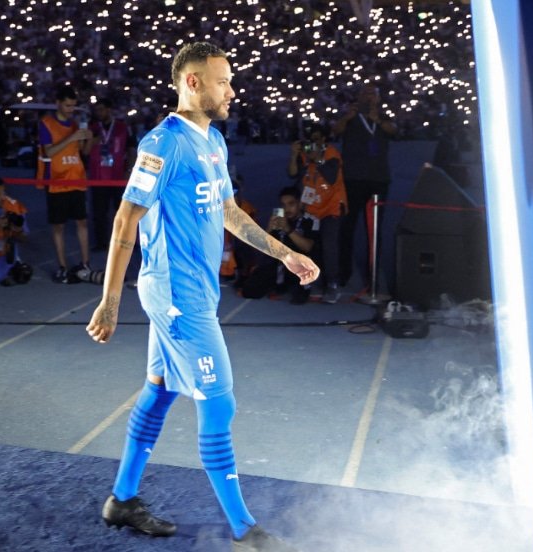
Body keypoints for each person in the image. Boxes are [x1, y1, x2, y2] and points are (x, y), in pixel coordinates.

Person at [85, 41, 316, 552]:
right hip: (175, 296)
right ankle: (244, 531)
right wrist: (110, 301)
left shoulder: (212, 140)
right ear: (193, 83)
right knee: (219, 404)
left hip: (195, 293)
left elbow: (230, 213)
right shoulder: (162, 144)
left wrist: (284, 255)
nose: (232, 91)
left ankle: (122, 499)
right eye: (222, 82)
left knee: (161, 390)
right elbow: (126, 218)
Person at [331, 83, 396, 288]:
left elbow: (393, 132)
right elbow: (335, 131)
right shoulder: (350, 116)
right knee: (347, 228)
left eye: (373, 94)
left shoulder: (384, 116)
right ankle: (343, 272)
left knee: (374, 230)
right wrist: (347, 117)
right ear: (358, 97)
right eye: (365, 94)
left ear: (378, 98)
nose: (369, 98)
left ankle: (373, 274)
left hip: (378, 179)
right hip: (352, 179)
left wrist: (378, 119)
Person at [36, 85, 93, 283]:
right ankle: (62, 266)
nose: (70, 110)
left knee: (82, 222)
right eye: (67, 106)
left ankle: (85, 263)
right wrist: (72, 137)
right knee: (58, 226)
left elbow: (83, 152)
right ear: (58, 103)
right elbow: (49, 152)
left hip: (76, 178)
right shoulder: (46, 123)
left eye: (73, 106)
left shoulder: (76, 124)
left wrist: (89, 139)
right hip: (57, 181)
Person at [288, 121, 347, 303]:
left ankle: (333, 284)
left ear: (323, 139)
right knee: (310, 245)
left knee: (329, 246)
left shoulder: (331, 154)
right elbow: (292, 174)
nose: (312, 144)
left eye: (316, 139)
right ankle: (312, 281)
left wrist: (317, 159)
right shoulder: (305, 154)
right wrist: (294, 155)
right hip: (311, 208)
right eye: (310, 140)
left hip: (331, 207)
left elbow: (330, 177)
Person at [240, 186, 318, 304]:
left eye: (291, 204)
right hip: (280, 265)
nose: (287, 209)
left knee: (299, 298)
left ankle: (300, 288)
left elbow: (307, 247)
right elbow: (262, 248)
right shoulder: (280, 219)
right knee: (249, 290)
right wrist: (269, 230)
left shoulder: (311, 220)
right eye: (284, 205)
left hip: (302, 265)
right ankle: (278, 284)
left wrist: (288, 229)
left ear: (300, 204)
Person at [87, 97, 137, 252]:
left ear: (109, 110)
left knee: (122, 211)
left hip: (118, 177)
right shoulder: (93, 127)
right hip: (98, 177)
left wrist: (129, 171)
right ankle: (101, 243)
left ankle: (125, 242)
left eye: (101, 109)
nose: (99, 113)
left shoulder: (123, 127)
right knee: (99, 212)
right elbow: (85, 150)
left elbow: (131, 150)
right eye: (97, 110)